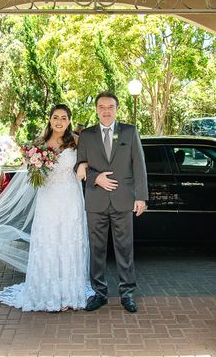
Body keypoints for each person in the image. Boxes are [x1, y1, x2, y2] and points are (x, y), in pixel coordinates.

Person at [0, 104, 92, 311]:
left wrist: (84, 165)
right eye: (56, 117)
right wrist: (33, 164)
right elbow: (33, 173)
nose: (59, 121)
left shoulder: (76, 141)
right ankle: (46, 292)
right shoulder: (38, 144)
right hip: (47, 198)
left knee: (68, 241)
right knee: (48, 241)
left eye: (64, 118)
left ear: (69, 121)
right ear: (50, 119)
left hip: (70, 197)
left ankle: (68, 293)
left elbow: (87, 162)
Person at [76, 91, 148, 313]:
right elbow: (79, 165)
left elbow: (139, 165)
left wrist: (141, 197)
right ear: (96, 109)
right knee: (96, 250)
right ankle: (99, 293)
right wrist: (94, 177)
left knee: (124, 249)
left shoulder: (130, 131)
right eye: (102, 107)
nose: (106, 111)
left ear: (117, 109)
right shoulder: (87, 135)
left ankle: (127, 294)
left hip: (123, 200)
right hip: (96, 201)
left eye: (110, 107)